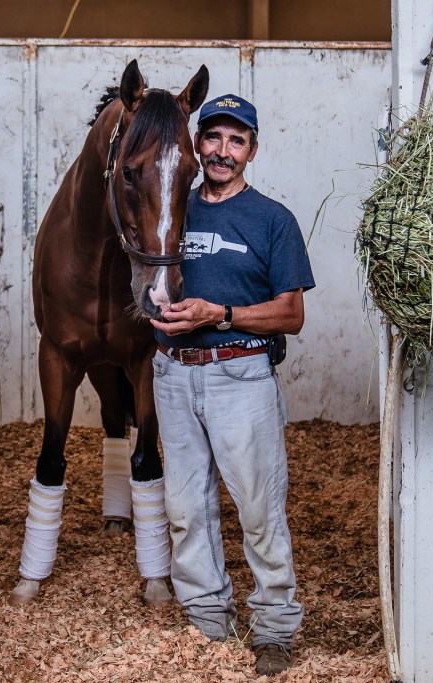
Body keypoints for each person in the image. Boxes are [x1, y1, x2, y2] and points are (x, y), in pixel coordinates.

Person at [149, 93, 315, 677]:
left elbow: (290, 313)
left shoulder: (273, 219)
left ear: (252, 150)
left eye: (235, 140)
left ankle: (273, 628)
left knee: (259, 508)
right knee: (185, 509)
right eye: (213, 138)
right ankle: (207, 623)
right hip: (172, 375)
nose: (222, 151)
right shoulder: (173, 208)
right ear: (196, 145)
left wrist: (218, 314)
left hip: (240, 374)